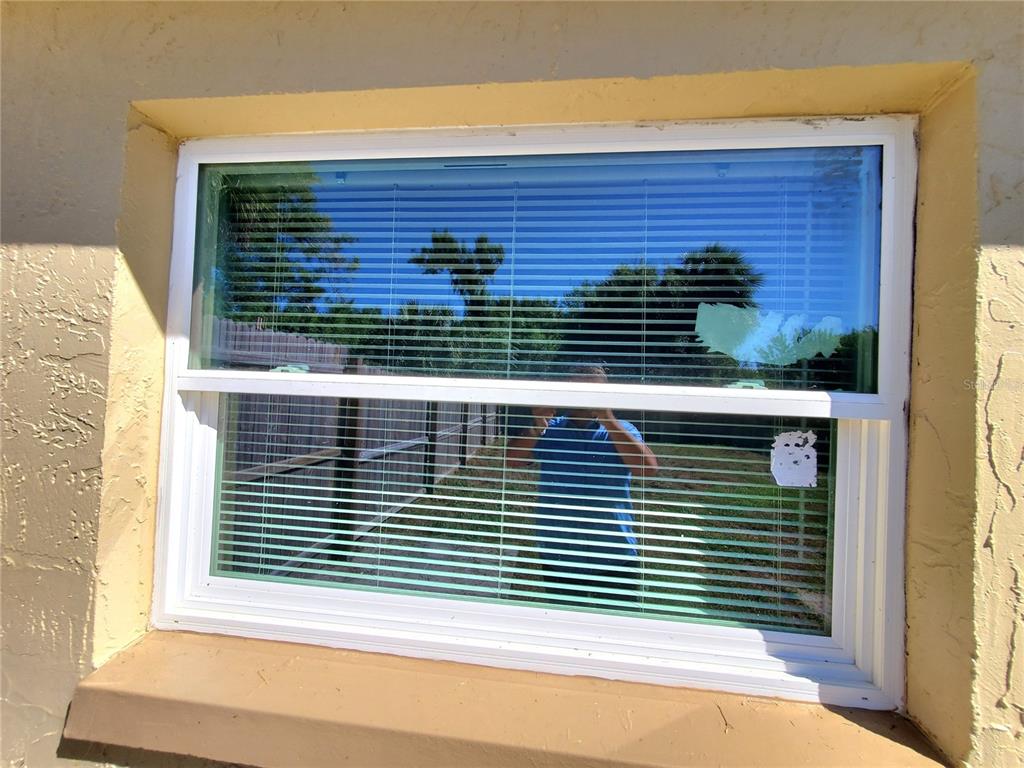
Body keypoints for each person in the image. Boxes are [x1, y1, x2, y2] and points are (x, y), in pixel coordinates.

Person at [507, 365, 658, 605]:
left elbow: (647, 468)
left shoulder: (622, 430)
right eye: (577, 388)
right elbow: (512, 460)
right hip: (561, 551)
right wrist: (537, 425)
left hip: (614, 550)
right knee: (566, 629)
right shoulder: (549, 429)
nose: (585, 395)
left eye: (592, 390)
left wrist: (608, 420)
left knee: (617, 632)